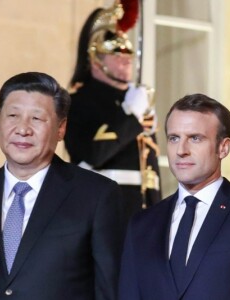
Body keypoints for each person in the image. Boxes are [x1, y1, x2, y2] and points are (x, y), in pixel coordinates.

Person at [0, 72, 124, 300]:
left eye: (36, 119)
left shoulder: (97, 195)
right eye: (12, 115)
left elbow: (111, 290)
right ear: (0, 119)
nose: (22, 129)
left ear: (61, 128)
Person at [119, 93, 230, 300]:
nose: (181, 150)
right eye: (174, 138)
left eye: (195, 138)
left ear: (223, 147)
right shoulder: (141, 224)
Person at [64, 0, 161, 227]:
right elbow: (94, 154)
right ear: (96, 60)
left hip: (144, 220)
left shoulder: (135, 102)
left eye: (128, 51)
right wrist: (130, 115)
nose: (125, 58)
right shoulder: (78, 102)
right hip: (103, 216)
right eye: (116, 52)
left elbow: (150, 174)